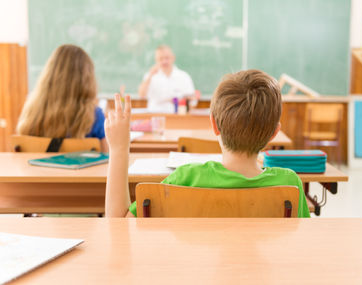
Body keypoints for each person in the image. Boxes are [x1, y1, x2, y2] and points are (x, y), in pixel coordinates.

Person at [105, 70, 310, 218]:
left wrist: (119, 149)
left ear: (213, 124)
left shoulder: (186, 178)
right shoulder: (290, 184)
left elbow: (119, 227)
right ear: (274, 132)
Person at [17, 44, 108, 152]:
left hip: (37, 169)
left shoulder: (32, 112)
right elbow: (107, 161)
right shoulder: (95, 117)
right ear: (87, 80)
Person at [138, 45, 195, 112]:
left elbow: (192, 100)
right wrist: (150, 76)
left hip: (177, 117)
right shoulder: (150, 76)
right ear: (156, 60)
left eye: (167, 58)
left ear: (173, 58)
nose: (164, 61)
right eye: (160, 59)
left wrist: (177, 100)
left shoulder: (184, 76)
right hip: (154, 115)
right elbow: (141, 95)